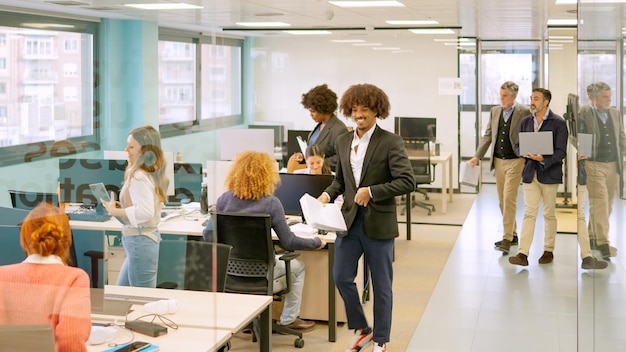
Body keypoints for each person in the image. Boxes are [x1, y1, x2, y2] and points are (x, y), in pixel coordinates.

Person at [317, 83, 414, 352]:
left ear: (376, 111)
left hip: (378, 224)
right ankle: (362, 329)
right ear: (349, 110)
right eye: (355, 109)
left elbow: (407, 181)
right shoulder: (343, 140)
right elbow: (340, 181)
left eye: (366, 109)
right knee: (340, 277)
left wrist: (371, 191)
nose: (360, 114)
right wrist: (326, 195)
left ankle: (381, 340)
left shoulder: (390, 141)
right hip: (348, 223)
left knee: (382, 287)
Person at [202, 150, 326, 332]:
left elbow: (208, 236)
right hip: (263, 273)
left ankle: (245, 319)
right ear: (267, 175)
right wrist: (316, 242)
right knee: (298, 267)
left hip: (230, 272)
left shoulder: (223, 200)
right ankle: (289, 319)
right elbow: (289, 242)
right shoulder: (271, 203)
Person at [0, 203, 91, 352]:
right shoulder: (74, 278)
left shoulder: (2, 276)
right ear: (66, 240)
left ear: (24, 239)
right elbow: (71, 340)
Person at [101, 125, 169, 287]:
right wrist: (122, 206)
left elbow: (145, 211)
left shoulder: (139, 176)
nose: (126, 150)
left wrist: (115, 210)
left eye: (131, 146)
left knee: (141, 299)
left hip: (141, 243)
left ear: (144, 151)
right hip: (140, 242)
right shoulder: (149, 172)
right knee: (121, 295)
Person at [468, 81, 531, 254]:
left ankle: (506, 238)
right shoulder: (495, 111)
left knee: (509, 198)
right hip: (498, 161)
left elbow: (529, 134)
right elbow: (488, 135)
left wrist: (527, 156)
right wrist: (477, 156)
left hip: (515, 161)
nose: (501, 98)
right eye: (500, 95)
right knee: (502, 200)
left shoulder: (524, 112)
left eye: (505, 96)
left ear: (514, 96)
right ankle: (513, 232)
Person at [509, 88, 568, 266]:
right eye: (531, 98)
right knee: (529, 213)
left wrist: (544, 159)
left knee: (549, 214)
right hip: (530, 173)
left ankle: (548, 250)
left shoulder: (558, 123)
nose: (532, 101)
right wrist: (524, 153)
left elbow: (561, 152)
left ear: (546, 102)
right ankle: (522, 254)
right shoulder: (526, 121)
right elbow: (518, 146)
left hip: (549, 173)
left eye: (536, 99)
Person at [578, 82, 625, 261]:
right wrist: (583, 154)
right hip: (594, 164)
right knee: (600, 202)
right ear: (593, 98)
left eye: (609, 96)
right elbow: (577, 137)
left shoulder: (614, 113)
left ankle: (592, 235)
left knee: (608, 204)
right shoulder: (584, 112)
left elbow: (621, 136)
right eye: (605, 97)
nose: (609, 100)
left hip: (612, 164)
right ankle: (603, 242)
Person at [292, 84, 347, 172]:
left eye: (313, 111)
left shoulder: (339, 129)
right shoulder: (320, 125)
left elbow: (341, 158)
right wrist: (304, 157)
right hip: (315, 174)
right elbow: (315, 151)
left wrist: (317, 163)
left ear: (323, 109)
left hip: (328, 176)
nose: (311, 115)